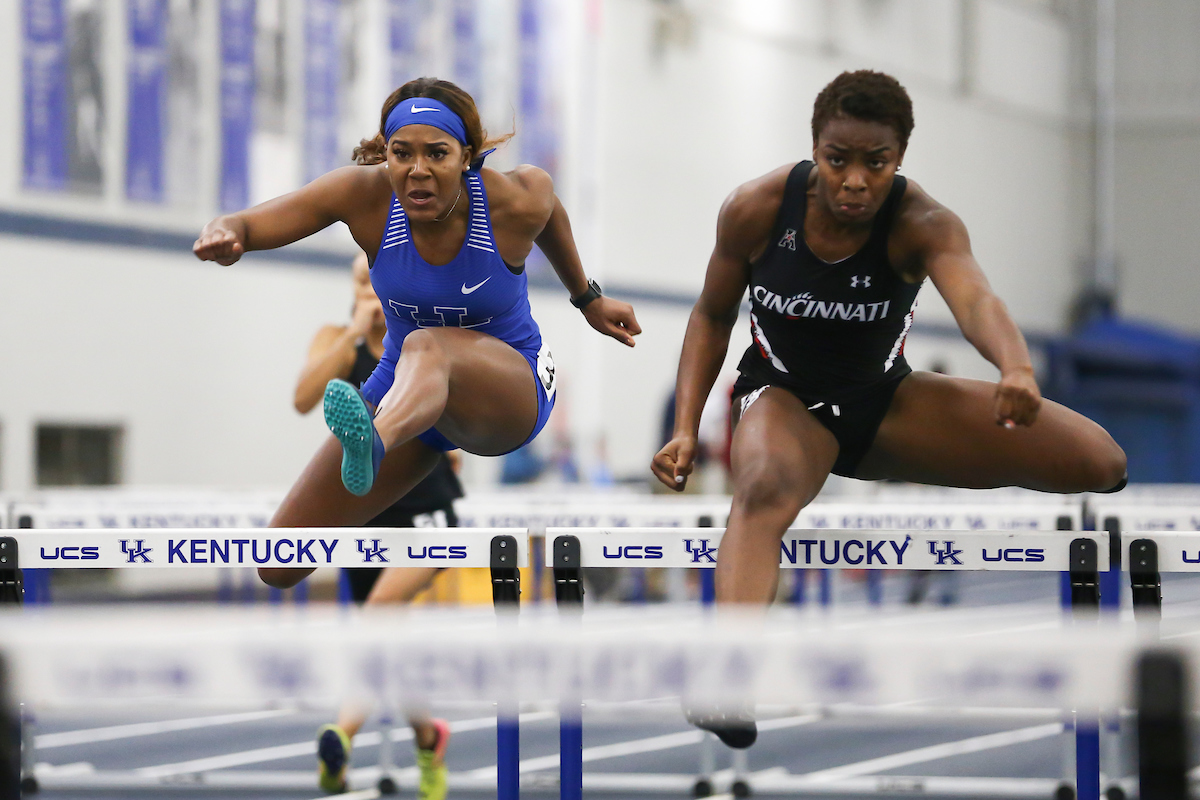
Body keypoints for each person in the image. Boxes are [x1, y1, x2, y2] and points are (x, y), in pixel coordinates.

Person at [651, 70, 1127, 747]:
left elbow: (976, 301)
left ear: (899, 157)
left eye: (875, 163)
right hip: (785, 399)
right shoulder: (755, 209)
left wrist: (1015, 366)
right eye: (836, 160)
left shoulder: (922, 224)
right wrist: (683, 429)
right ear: (814, 151)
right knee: (761, 488)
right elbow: (710, 315)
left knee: (1101, 461)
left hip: (884, 400)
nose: (854, 181)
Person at [194, 76, 640, 797]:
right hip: (409, 399)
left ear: (466, 158)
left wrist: (586, 298)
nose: (417, 171)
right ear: (386, 156)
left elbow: (552, 210)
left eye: (436, 154)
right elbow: (265, 215)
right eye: (402, 153)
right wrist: (230, 232)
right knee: (278, 562)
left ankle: (374, 435)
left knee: (430, 344)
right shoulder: (365, 197)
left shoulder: (513, 198)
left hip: (509, 393)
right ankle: (381, 432)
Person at [293, 250, 467, 794]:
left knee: (378, 615)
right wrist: (352, 335)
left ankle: (341, 733)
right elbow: (302, 397)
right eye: (359, 281)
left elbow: (456, 428)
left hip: (429, 514)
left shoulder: (418, 337)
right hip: (368, 515)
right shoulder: (335, 337)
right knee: (388, 639)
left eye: (375, 279)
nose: (368, 289)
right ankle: (428, 738)